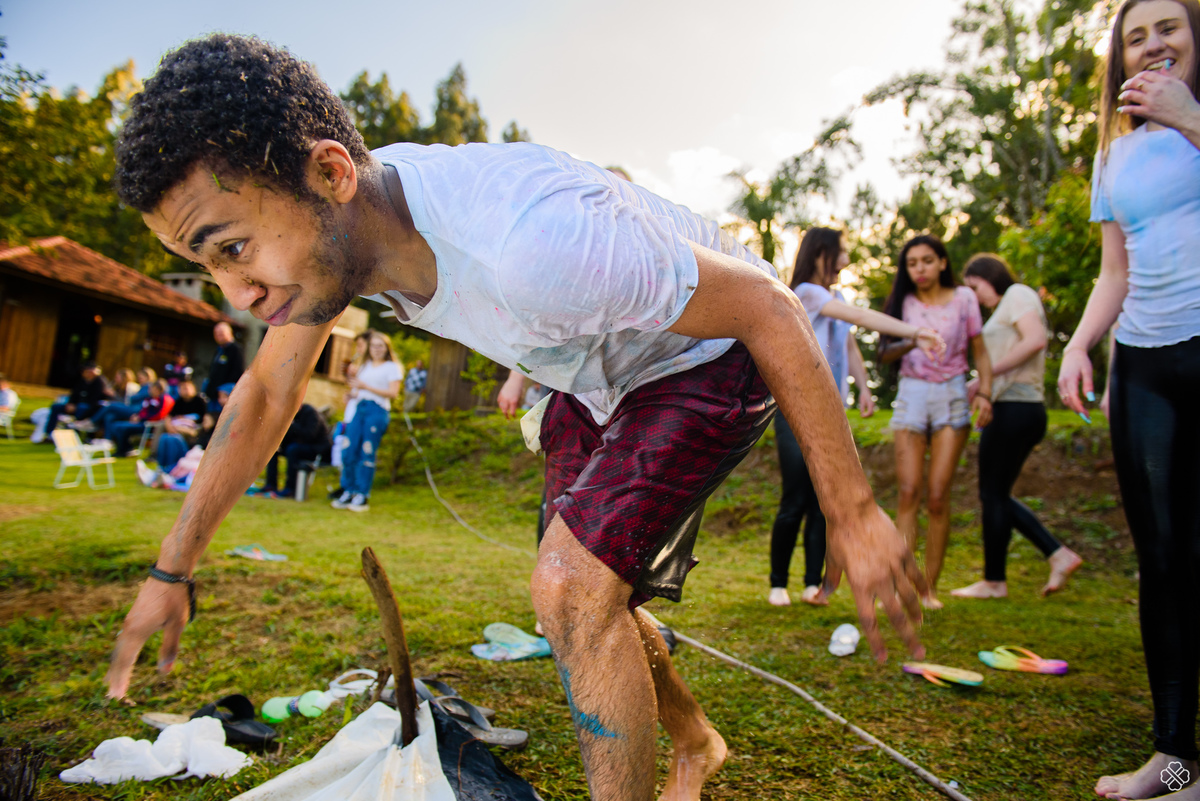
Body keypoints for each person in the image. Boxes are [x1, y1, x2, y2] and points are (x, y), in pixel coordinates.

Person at [103, 35, 926, 801]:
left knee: (572, 586)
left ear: (330, 173)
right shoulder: (341, 236)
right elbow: (265, 395)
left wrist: (851, 511)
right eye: (206, 266)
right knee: (581, 597)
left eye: (233, 249)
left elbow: (771, 307)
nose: (236, 294)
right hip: (593, 378)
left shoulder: (533, 241)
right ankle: (695, 741)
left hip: (708, 356)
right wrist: (170, 571)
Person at [1057, 1, 1200, 796]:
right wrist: (1081, 344)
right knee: (1164, 560)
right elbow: (1116, 270)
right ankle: (1175, 760)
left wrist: (1191, 119)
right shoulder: (1114, 156)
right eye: (1136, 35)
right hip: (1145, 363)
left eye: (1168, 29)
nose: (1153, 45)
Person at [767, 227, 946, 607]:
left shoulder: (836, 296)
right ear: (821, 254)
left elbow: (849, 342)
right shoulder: (807, 293)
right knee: (795, 497)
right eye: (842, 252)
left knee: (824, 501)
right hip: (796, 408)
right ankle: (777, 583)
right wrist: (916, 332)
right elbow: (861, 318)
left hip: (831, 412)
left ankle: (813, 584)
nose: (846, 260)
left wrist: (863, 386)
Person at [948, 255, 1082, 601]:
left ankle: (1002, 578)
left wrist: (985, 379)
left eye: (975, 287)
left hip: (1016, 409)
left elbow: (1035, 339)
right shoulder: (1005, 308)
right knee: (996, 495)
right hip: (1015, 409)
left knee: (993, 495)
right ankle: (1038, 562)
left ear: (988, 276)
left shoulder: (1018, 294)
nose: (975, 296)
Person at [879, 234, 993, 610]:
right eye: (912, 263)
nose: (920, 269)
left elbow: (980, 350)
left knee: (939, 495)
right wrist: (914, 340)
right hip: (912, 396)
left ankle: (928, 588)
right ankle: (899, 584)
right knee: (909, 491)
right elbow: (884, 354)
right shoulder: (902, 303)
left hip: (952, 396)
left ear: (942, 262)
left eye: (927, 261)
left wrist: (987, 393)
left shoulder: (965, 299)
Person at [332, 331, 402, 512]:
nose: (377, 349)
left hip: (377, 411)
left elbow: (393, 393)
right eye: (374, 346)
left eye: (381, 346)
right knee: (349, 449)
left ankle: (362, 494)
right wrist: (352, 394)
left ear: (387, 348)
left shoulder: (391, 367)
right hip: (359, 408)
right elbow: (358, 389)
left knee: (366, 452)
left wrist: (366, 387)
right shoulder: (365, 366)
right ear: (369, 348)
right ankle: (348, 490)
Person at [257, 403, 333, 498]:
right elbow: (288, 435)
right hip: (297, 446)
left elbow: (309, 435)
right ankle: (271, 485)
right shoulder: (291, 415)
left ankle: (290, 488)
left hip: (317, 449)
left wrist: (291, 424)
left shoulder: (311, 413)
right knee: (274, 450)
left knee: (292, 450)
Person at [39, 361, 112, 440]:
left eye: (89, 371)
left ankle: (75, 434)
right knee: (56, 407)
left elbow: (95, 400)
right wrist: (70, 404)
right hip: (77, 406)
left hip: (91, 409)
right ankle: (49, 434)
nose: (87, 373)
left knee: (82, 407)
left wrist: (76, 406)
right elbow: (74, 394)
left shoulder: (100, 383)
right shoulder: (82, 381)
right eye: (86, 371)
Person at [107, 379, 174, 456]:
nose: (149, 390)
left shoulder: (165, 399)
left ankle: (125, 450)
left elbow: (160, 415)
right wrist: (137, 416)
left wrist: (142, 418)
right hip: (142, 422)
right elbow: (143, 411)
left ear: (158, 389)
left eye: (151, 388)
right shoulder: (149, 399)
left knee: (120, 427)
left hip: (149, 425)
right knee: (116, 425)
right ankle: (125, 448)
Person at [203, 322, 244, 409]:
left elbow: (237, 372)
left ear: (230, 333)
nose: (218, 336)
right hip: (213, 396)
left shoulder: (235, 349)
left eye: (221, 333)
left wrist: (225, 391)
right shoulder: (219, 350)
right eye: (216, 334)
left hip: (224, 397)